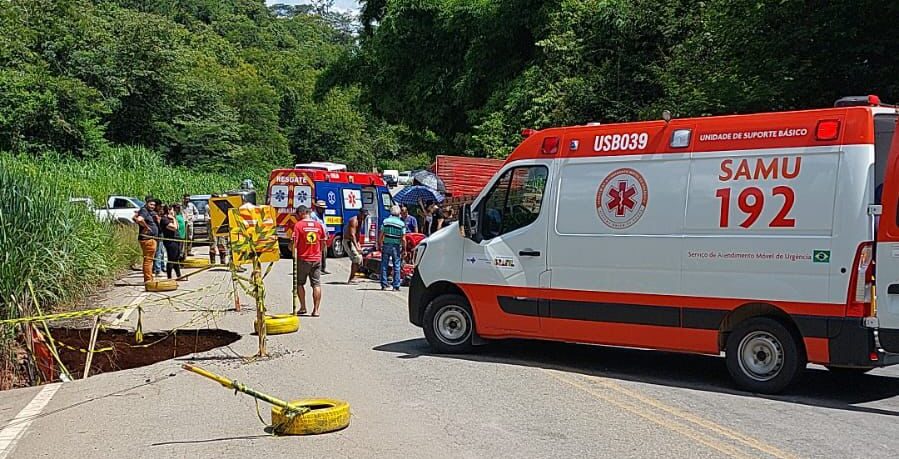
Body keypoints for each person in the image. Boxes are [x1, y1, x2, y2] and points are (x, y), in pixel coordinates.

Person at [292, 206, 326, 316]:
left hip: (303, 259)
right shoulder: (318, 225)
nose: (296, 217)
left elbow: (294, 244)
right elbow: (323, 243)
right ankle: (316, 310)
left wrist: (290, 248)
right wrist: (318, 252)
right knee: (316, 284)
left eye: (297, 215)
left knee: (299, 283)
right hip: (316, 258)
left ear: (302, 213)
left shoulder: (298, 226)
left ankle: (303, 307)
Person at [379, 206, 407, 291]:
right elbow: (403, 238)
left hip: (386, 244)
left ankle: (384, 284)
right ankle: (396, 286)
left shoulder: (386, 221)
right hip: (396, 246)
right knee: (397, 265)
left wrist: (380, 244)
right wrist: (404, 249)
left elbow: (381, 234)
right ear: (399, 213)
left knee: (384, 264)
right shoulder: (401, 224)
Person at [133, 197, 160, 283]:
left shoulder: (147, 211)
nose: (152, 206)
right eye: (151, 204)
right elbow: (140, 219)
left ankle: (149, 278)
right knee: (148, 260)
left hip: (149, 239)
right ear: (146, 203)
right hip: (148, 239)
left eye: (154, 205)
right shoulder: (144, 210)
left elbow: (134, 218)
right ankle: (148, 280)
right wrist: (146, 227)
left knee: (148, 260)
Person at [343, 208, 368, 284]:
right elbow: (352, 235)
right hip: (349, 241)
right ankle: (351, 278)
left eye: (366, 215)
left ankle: (354, 276)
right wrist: (356, 246)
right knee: (356, 258)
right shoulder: (354, 221)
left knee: (360, 258)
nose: (365, 217)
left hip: (355, 241)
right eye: (364, 215)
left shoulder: (361, 220)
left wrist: (359, 244)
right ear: (360, 214)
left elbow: (358, 233)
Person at [160, 205, 184, 280]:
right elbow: (174, 228)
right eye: (172, 210)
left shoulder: (171, 218)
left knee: (176, 259)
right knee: (171, 259)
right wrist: (173, 218)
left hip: (176, 240)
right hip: (170, 242)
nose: (173, 212)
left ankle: (179, 275)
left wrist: (174, 218)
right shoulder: (164, 219)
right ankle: (169, 277)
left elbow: (178, 227)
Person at [208, 195, 229, 265]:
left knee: (222, 244)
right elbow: (207, 218)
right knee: (213, 244)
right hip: (213, 227)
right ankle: (213, 262)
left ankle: (222, 261)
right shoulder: (208, 206)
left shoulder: (222, 205)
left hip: (221, 226)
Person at [311, 200, 330, 275]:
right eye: (322, 208)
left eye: (324, 208)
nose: (323, 209)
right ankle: (318, 269)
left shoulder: (322, 215)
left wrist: (327, 232)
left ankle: (323, 268)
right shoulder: (313, 215)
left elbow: (324, 225)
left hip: (323, 237)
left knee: (324, 253)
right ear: (317, 207)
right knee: (318, 253)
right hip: (318, 237)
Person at [151, 199, 165, 276]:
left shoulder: (156, 213)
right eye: (160, 206)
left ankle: (162, 267)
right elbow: (159, 222)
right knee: (158, 252)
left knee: (162, 252)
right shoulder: (154, 214)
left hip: (160, 234)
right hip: (158, 234)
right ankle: (157, 269)